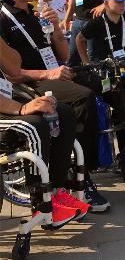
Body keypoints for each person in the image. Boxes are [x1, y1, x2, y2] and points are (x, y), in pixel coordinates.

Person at [0, 0, 110, 212]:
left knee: (103, 82)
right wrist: (48, 75)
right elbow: (12, 73)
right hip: (28, 84)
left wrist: (57, 28)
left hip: (51, 73)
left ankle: (112, 155)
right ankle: (82, 177)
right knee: (83, 97)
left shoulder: (34, 13)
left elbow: (61, 54)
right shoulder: (4, 17)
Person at [0, 38, 90, 225]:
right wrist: (21, 108)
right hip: (5, 106)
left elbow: (14, 68)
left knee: (62, 112)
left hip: (6, 98)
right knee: (34, 126)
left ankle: (57, 191)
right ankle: (41, 202)